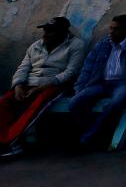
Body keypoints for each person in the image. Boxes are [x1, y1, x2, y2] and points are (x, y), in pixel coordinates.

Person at [0, 17, 86, 156]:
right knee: (3, 103)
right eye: (45, 30)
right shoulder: (36, 46)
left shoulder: (76, 45)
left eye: (51, 32)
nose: (45, 34)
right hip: (28, 84)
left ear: (63, 33)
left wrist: (41, 88)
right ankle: (1, 139)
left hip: (54, 84)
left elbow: (71, 72)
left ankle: (11, 144)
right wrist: (18, 85)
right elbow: (22, 68)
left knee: (35, 107)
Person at [68, 14, 126, 148]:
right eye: (110, 28)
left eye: (116, 29)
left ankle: (88, 138)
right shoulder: (104, 44)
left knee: (115, 104)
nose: (111, 32)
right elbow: (88, 66)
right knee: (76, 101)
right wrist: (79, 87)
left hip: (123, 84)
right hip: (101, 83)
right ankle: (91, 131)